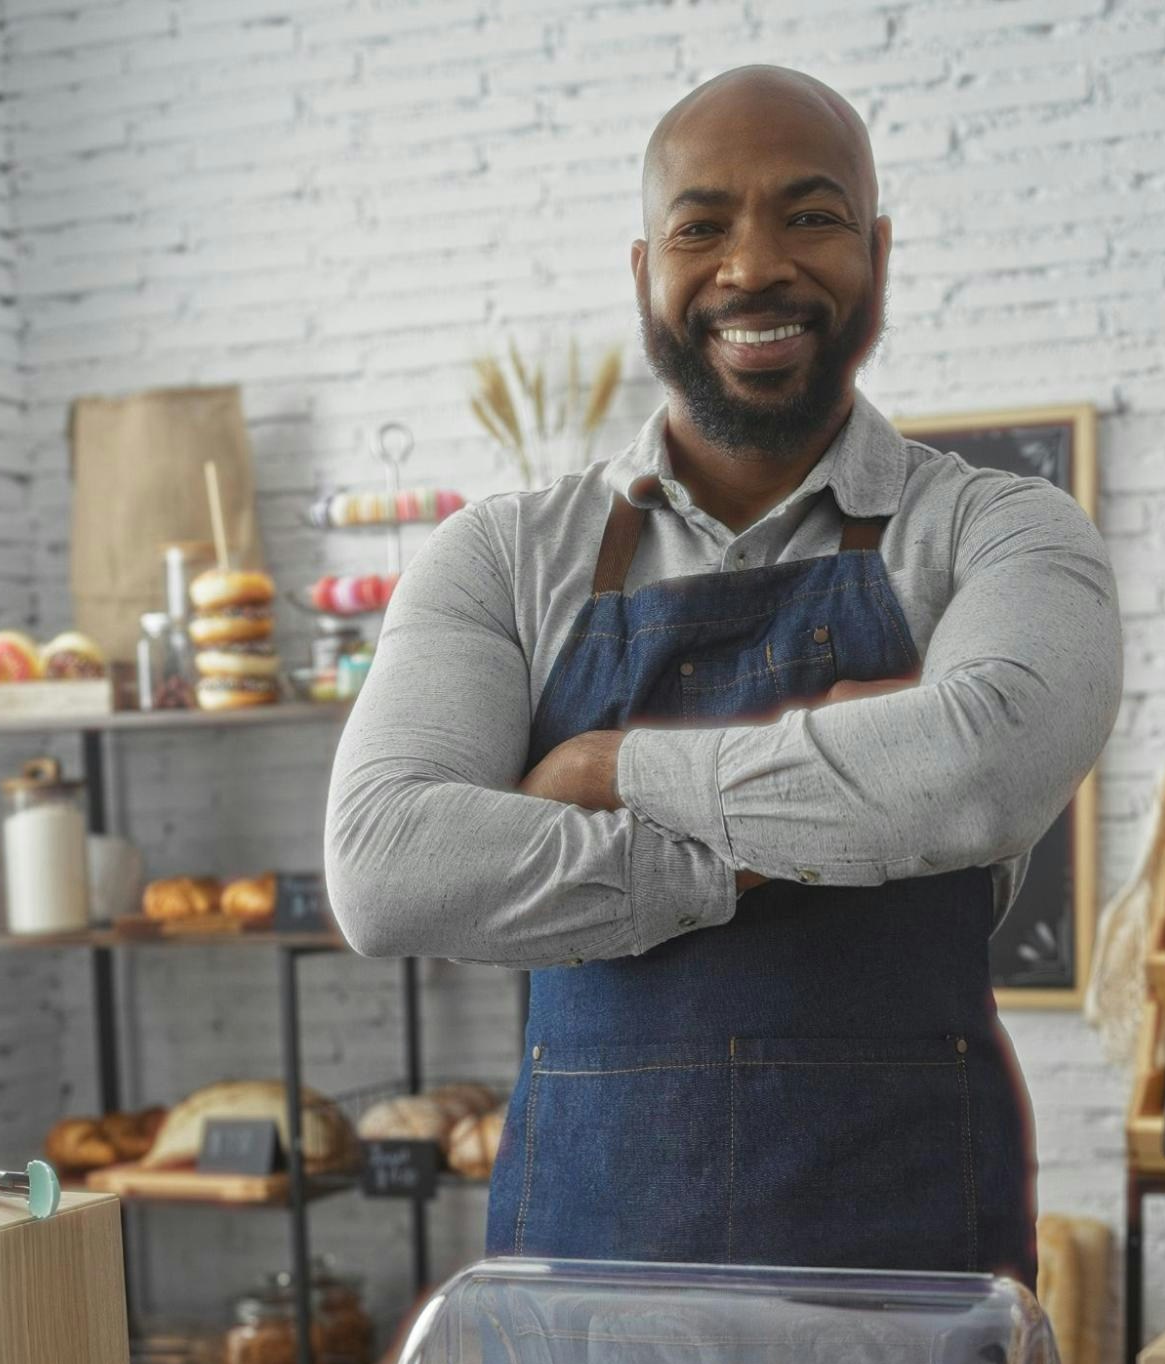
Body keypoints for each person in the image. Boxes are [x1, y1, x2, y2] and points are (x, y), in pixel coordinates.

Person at [326, 65, 1122, 1293]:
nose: (753, 266)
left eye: (811, 216)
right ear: (644, 271)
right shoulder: (500, 555)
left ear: (879, 254)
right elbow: (385, 867)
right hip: (587, 1295)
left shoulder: (1005, 533)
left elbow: (976, 771)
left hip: (910, 1291)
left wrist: (612, 770)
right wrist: (800, 825)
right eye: (702, 226)